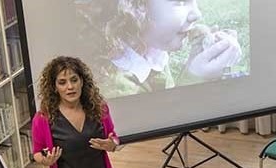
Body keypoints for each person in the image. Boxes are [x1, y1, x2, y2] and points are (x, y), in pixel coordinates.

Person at [76, 0, 244, 98]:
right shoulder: (116, 86)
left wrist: (195, 59)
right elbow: (162, 120)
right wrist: (194, 78)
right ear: (134, 10)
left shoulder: (152, 50)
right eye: (180, 1)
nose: (197, 14)